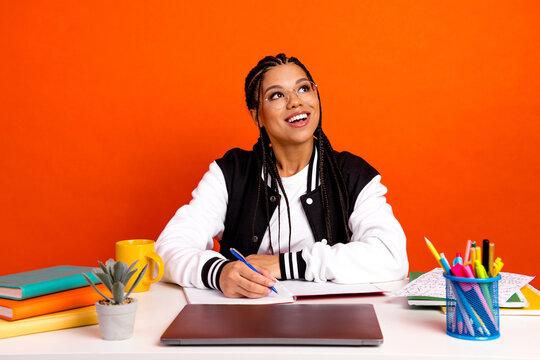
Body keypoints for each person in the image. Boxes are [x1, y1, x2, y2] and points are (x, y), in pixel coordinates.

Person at [156, 53, 408, 298]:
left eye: (304, 88)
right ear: (257, 116)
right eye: (277, 95)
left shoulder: (351, 174)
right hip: (245, 322)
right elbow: (167, 249)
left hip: (331, 324)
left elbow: (391, 256)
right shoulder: (231, 173)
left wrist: (288, 265)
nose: (295, 101)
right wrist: (219, 273)